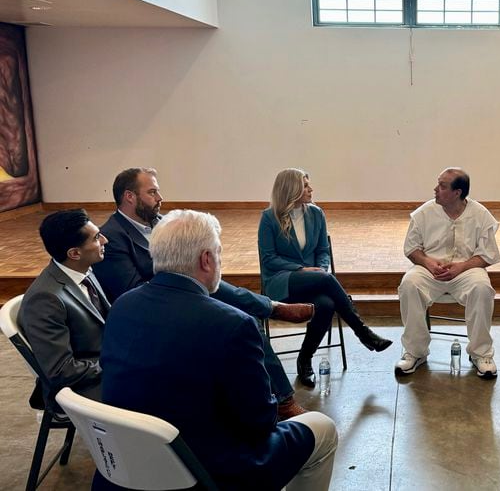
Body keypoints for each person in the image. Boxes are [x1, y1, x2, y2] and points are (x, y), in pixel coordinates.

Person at [99, 210, 337, 490]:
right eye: (219, 253)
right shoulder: (232, 324)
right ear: (206, 259)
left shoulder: (121, 307)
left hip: (129, 466)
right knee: (323, 428)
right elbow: (260, 424)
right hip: (208, 472)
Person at [93, 167, 310, 419]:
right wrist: (183, 278)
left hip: (187, 292)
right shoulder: (112, 237)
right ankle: (271, 310)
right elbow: (133, 289)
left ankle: (280, 396)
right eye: (152, 192)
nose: (159, 198)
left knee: (237, 315)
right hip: (157, 311)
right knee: (240, 323)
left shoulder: (162, 223)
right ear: (129, 197)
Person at [258, 168, 392, 387]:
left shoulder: (316, 214)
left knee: (327, 304)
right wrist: (302, 270)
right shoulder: (269, 218)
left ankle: (305, 359)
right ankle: (363, 333)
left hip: (314, 280)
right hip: (281, 281)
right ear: (291, 189)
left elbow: (322, 251)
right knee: (327, 280)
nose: (311, 189)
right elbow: (268, 258)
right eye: (306, 185)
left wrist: (319, 269)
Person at [395, 167, 500, 377]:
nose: (435, 189)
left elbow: (487, 255)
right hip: (430, 270)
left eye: (442, 186)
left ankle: (481, 353)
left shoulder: (480, 214)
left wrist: (461, 267)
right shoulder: (424, 213)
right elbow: (411, 248)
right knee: (409, 284)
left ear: (457, 192)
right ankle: (415, 352)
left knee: (482, 288)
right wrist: (427, 262)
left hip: (467, 270)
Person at [18, 209, 109, 404]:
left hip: (102, 365)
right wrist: (115, 364)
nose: (104, 241)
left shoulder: (83, 270)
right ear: (74, 253)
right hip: (82, 388)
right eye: (96, 238)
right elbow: (61, 370)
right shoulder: (45, 299)